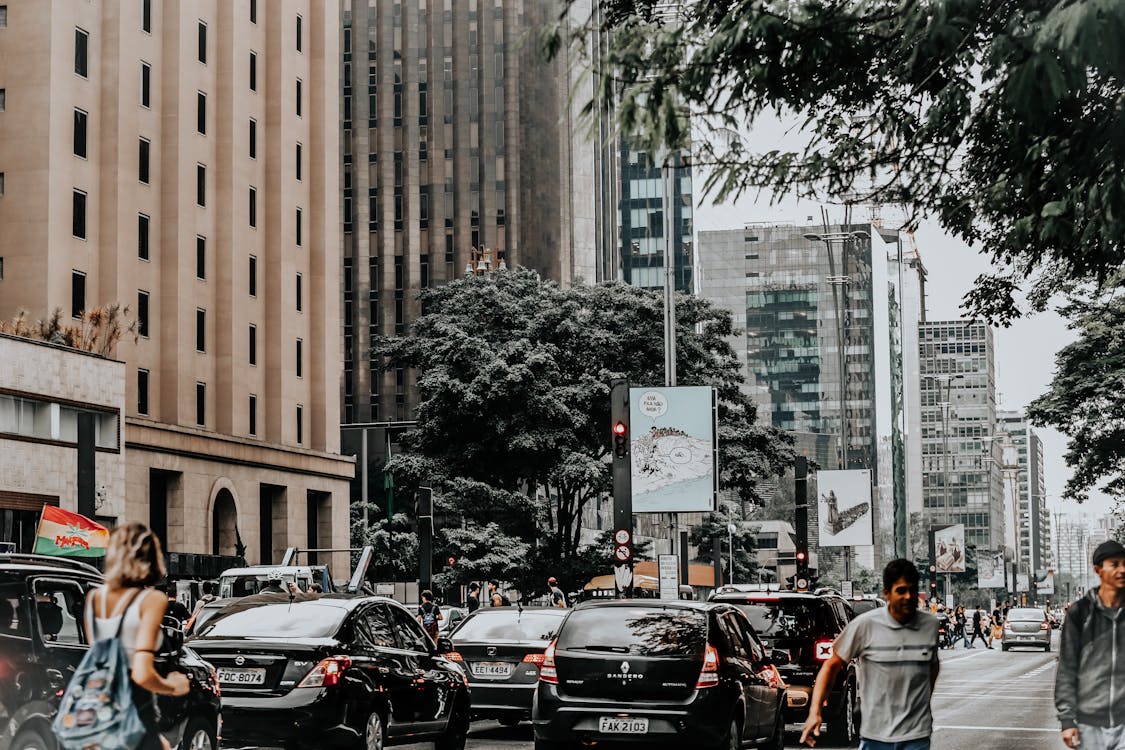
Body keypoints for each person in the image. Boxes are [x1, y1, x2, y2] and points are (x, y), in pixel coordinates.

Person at [801, 559, 939, 750]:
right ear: (887, 593)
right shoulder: (864, 625)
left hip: (917, 734)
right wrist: (815, 711)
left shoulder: (930, 625)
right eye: (901, 590)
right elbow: (831, 666)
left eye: (913, 590)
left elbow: (933, 664)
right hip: (876, 736)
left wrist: (924, 698)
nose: (908, 596)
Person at [84, 522, 190, 750]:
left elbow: (99, 661)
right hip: (136, 708)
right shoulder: (151, 600)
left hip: (101, 710)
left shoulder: (94, 598)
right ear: (151, 557)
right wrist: (172, 686)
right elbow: (141, 673)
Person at [1055, 539, 1125, 750]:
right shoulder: (1080, 612)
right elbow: (1067, 668)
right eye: (1114, 564)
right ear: (1098, 570)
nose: (1122, 570)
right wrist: (1067, 721)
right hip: (1089, 723)